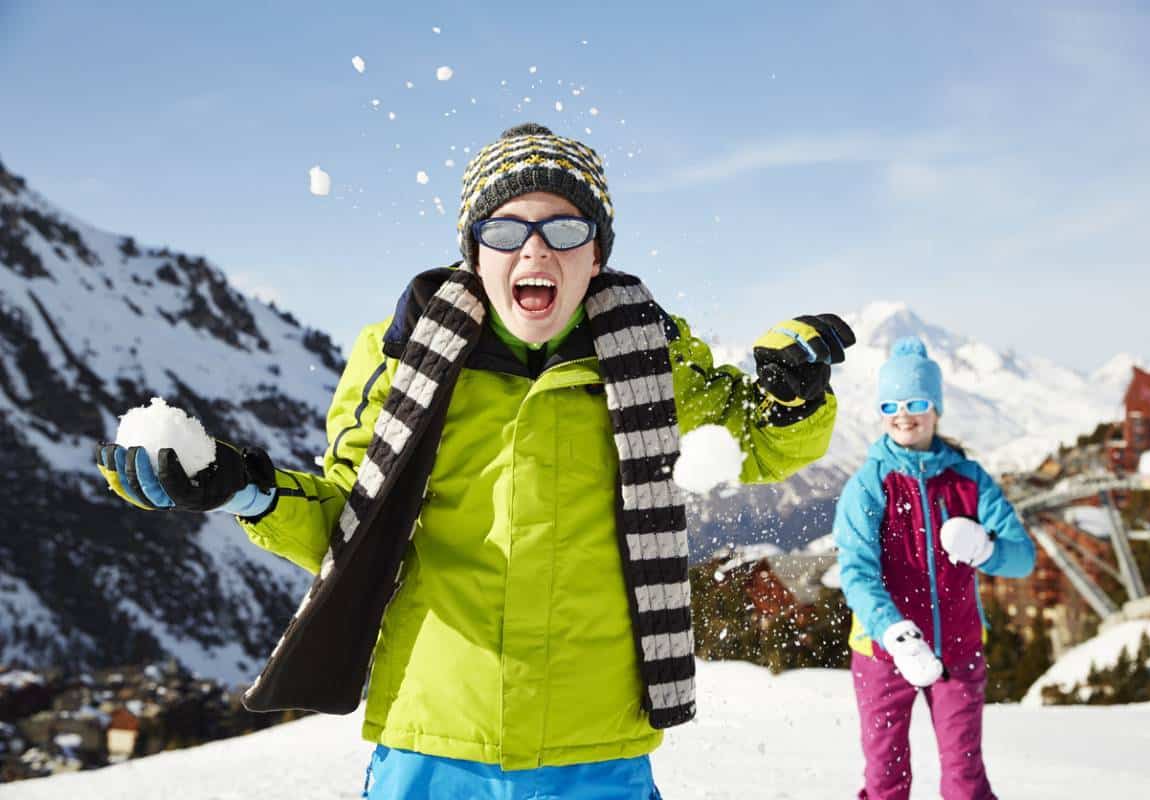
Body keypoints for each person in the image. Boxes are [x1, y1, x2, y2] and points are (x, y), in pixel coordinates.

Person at [97, 122, 853, 798]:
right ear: (473, 251)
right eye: (505, 230)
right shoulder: (398, 358)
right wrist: (247, 492)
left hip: (597, 744)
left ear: (597, 253)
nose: (534, 249)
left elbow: (754, 446)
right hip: (435, 739)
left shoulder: (651, 354)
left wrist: (793, 397)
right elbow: (346, 522)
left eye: (564, 228)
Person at [833, 336, 1035, 800]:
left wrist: (987, 549)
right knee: (887, 779)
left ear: (937, 408)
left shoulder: (969, 481)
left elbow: (1022, 558)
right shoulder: (869, 484)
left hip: (957, 651)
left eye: (917, 402)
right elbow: (857, 573)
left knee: (965, 781)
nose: (904, 414)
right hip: (883, 653)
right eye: (892, 403)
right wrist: (895, 633)